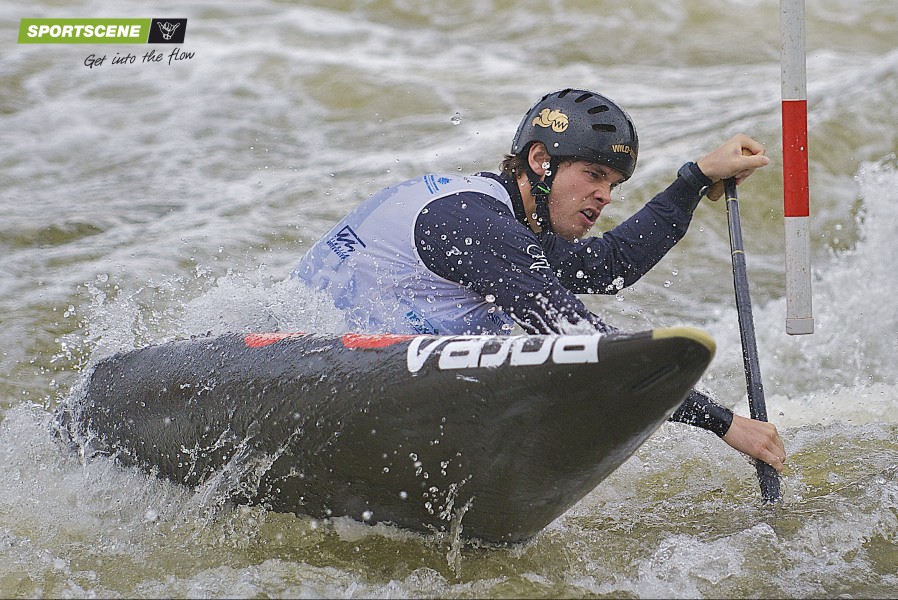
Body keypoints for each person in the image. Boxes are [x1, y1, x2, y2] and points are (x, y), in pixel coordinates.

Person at [290, 88, 787, 473]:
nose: (605, 195)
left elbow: (608, 266)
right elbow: (586, 345)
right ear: (540, 161)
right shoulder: (475, 224)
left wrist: (695, 179)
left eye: (613, 183)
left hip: (345, 377)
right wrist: (725, 423)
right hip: (312, 384)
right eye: (593, 174)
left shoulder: (496, 215)